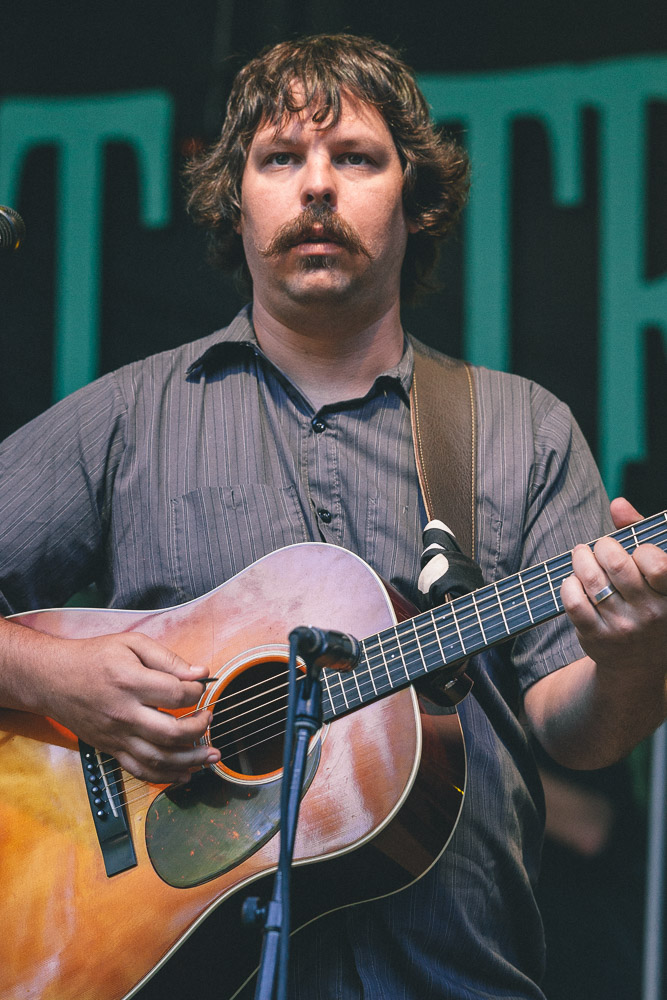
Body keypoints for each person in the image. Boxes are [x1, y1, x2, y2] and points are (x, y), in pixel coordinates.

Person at [1, 32, 666, 1000]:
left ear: (415, 197)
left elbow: (578, 734)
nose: (317, 187)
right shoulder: (127, 415)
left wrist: (636, 653)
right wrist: (59, 673)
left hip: (452, 970)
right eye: (281, 160)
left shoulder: (521, 428)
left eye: (354, 157)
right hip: (152, 958)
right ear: (235, 200)